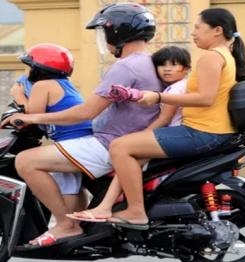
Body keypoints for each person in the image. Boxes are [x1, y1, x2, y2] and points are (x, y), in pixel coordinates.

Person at [0, 3, 161, 248]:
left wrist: (33, 118)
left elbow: (85, 112)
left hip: (108, 144)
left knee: (25, 161)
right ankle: (81, 227)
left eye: (105, 33)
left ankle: (66, 225)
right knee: (65, 171)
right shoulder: (151, 62)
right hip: (129, 141)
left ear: (117, 32)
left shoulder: (124, 66)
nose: (104, 40)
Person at [97, 8, 245, 229]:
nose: (193, 34)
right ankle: (113, 205)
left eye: (198, 28)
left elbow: (206, 98)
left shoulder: (211, 57)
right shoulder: (224, 55)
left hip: (201, 133)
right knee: (132, 147)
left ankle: (136, 211)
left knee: (120, 147)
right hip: (209, 131)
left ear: (217, 30)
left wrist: (158, 97)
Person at [66, 46, 191, 223]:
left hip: (167, 135)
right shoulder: (173, 87)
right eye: (162, 65)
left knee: (125, 160)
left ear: (186, 68)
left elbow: (164, 119)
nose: (167, 69)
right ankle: (109, 206)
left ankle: (115, 208)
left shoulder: (177, 89)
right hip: (170, 134)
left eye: (174, 65)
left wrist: (142, 136)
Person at [10, 43, 92, 209]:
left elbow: (32, 115)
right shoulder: (62, 84)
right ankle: (79, 226)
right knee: (70, 184)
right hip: (81, 140)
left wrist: (18, 96)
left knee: (28, 163)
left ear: (40, 69)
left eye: (29, 67)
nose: (27, 73)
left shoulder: (43, 85)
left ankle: (67, 223)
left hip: (74, 143)